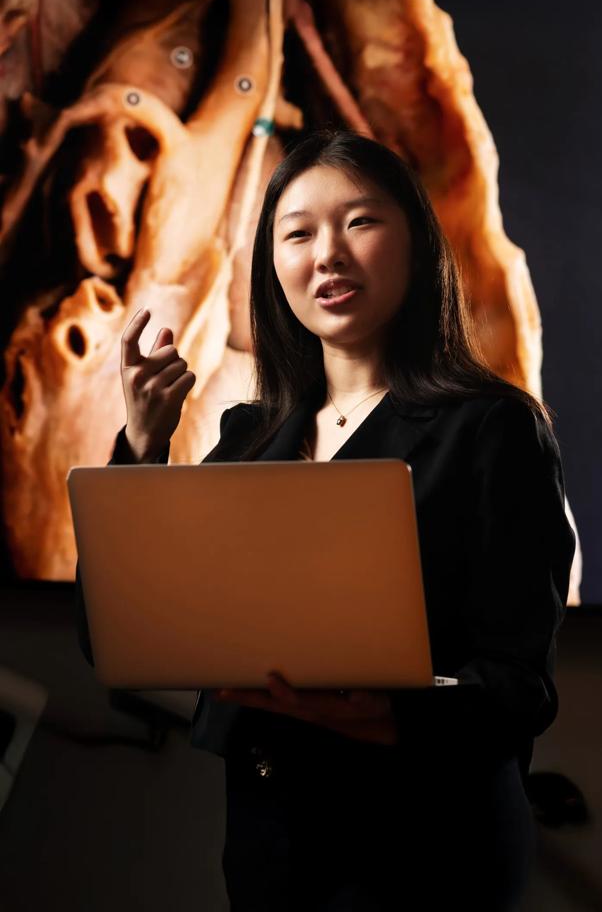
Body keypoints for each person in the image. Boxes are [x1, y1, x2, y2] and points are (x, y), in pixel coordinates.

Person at [75, 129, 575, 911]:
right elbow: (118, 626)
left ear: (416, 242)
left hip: (428, 844)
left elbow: (517, 686)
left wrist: (391, 714)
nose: (327, 255)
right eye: (298, 232)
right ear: (273, 267)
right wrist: (143, 441)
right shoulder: (248, 438)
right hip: (272, 838)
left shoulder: (492, 428)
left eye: (360, 222)